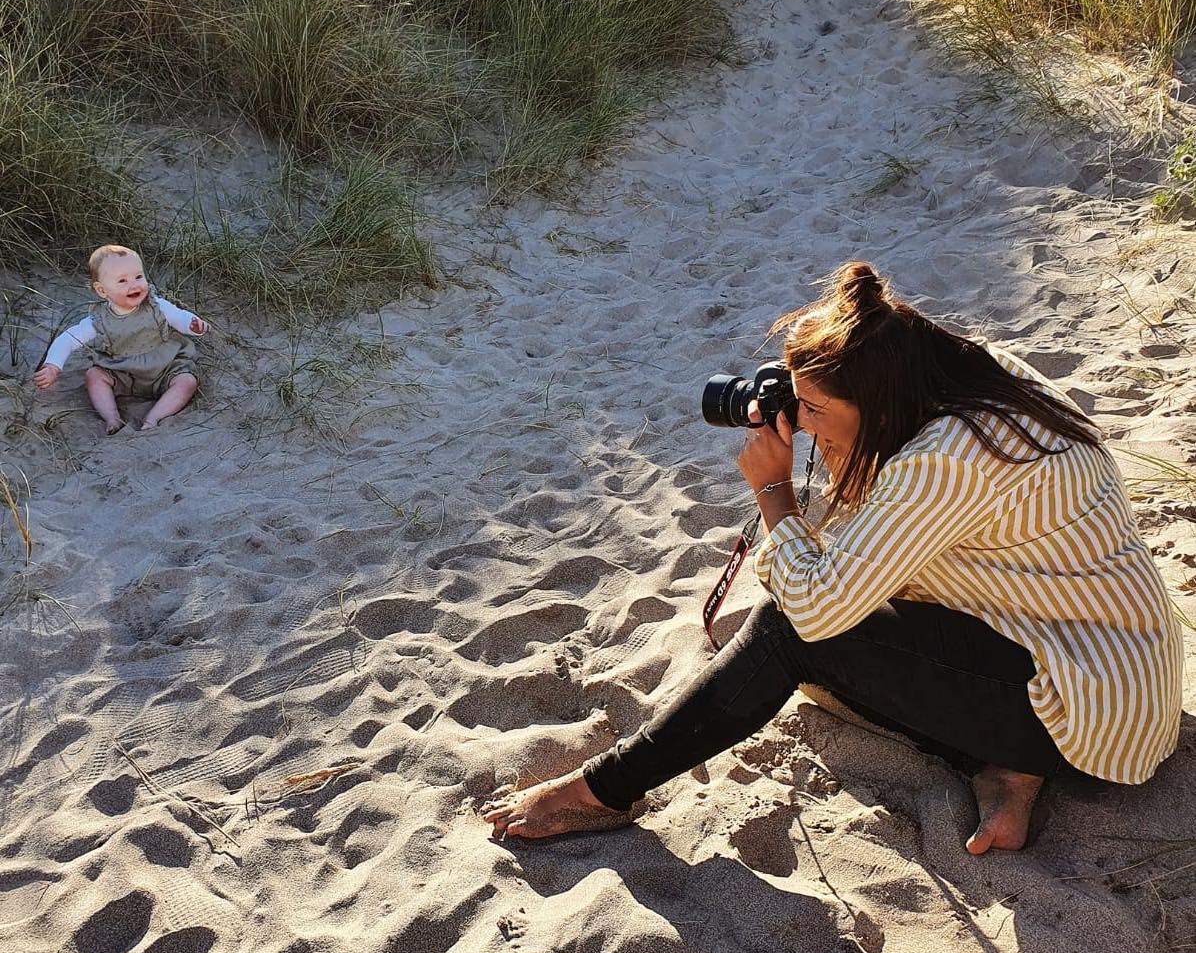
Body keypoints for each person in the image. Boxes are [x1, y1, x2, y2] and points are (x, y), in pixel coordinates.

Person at [484, 261, 1183, 855]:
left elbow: (815, 611)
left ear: (876, 401)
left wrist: (774, 492)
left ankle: (603, 791)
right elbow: (868, 541)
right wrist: (830, 437)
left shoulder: (946, 462)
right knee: (828, 624)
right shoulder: (971, 375)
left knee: (788, 631)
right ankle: (1007, 766)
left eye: (814, 410)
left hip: (1088, 718)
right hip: (1109, 672)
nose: (802, 422)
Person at [32, 244, 208, 433]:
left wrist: (193, 325)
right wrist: (53, 365)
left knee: (187, 381)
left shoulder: (156, 305)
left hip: (163, 368)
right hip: (122, 372)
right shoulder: (99, 319)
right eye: (122, 281)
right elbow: (69, 338)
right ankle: (112, 418)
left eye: (138, 277)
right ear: (102, 290)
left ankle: (154, 418)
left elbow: (179, 317)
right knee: (94, 376)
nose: (134, 285)